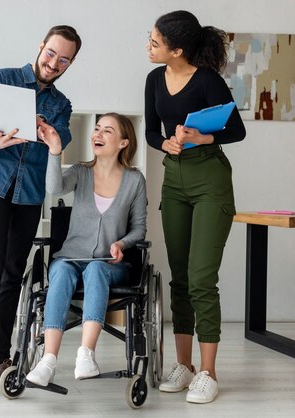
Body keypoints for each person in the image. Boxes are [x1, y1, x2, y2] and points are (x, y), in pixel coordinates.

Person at [0, 25, 82, 401]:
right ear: (41, 46)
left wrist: (52, 137)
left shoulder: (61, 105)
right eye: (51, 53)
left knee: (13, 275)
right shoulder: (3, 80)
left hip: (29, 194)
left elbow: (62, 140)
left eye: (64, 60)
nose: (54, 63)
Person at [144, 10, 246, 404]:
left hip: (210, 182)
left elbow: (235, 130)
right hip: (175, 180)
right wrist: (164, 143)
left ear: (178, 50)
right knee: (180, 279)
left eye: (155, 42)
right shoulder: (154, 79)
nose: (149, 47)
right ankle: (184, 365)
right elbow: (153, 130)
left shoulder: (208, 80)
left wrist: (202, 137)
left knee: (203, 278)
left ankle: (208, 372)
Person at [25, 113, 147, 387]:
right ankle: (48, 360)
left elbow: (139, 229)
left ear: (123, 142)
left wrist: (121, 244)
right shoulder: (80, 172)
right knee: (62, 271)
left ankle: (86, 355)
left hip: (109, 265)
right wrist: (55, 152)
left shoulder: (134, 181)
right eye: (97, 129)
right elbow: (54, 188)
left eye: (107, 131)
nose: (98, 135)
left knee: (95, 270)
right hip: (71, 257)